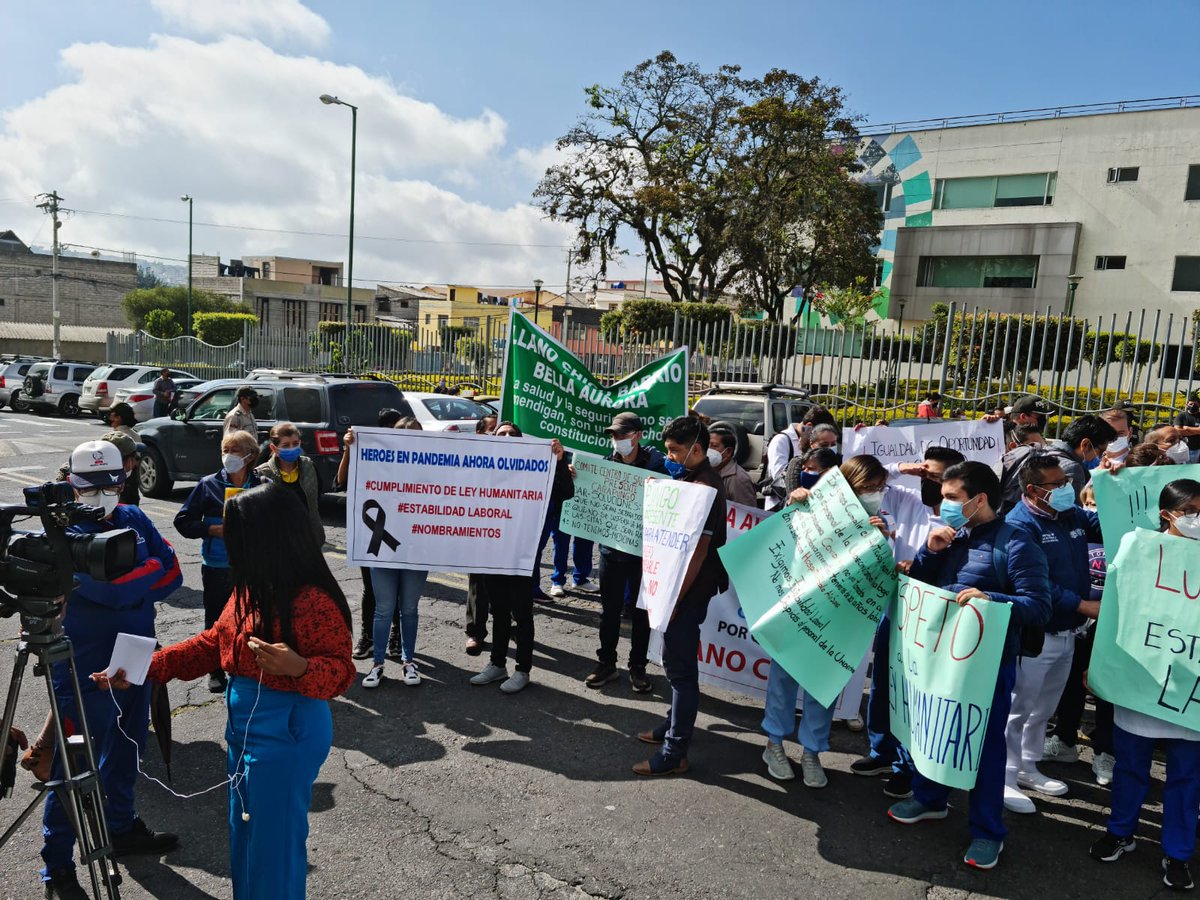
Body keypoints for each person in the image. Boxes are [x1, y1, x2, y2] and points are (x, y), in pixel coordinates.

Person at [96, 485, 356, 900]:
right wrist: (146, 668)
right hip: (245, 731)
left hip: (286, 734)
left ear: (267, 538)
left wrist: (302, 667)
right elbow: (213, 642)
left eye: (235, 532)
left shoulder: (312, 599)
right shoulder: (252, 585)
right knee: (246, 836)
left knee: (274, 849)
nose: (225, 539)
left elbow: (341, 673)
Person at [887, 461, 1050, 871]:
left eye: (952, 498)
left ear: (979, 500)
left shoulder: (1017, 543)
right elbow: (925, 585)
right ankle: (930, 798)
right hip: (939, 655)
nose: (944, 506)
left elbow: (1039, 606)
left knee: (983, 744)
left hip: (986, 665)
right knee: (933, 724)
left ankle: (987, 831)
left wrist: (992, 600)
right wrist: (928, 552)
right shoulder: (952, 536)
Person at [39, 440, 183, 899]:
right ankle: (57, 863)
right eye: (92, 487)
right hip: (82, 665)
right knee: (72, 763)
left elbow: (174, 572)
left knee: (127, 745)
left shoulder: (133, 517)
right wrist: (143, 576)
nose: (104, 494)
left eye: (112, 484)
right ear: (71, 483)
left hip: (135, 653)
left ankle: (121, 827)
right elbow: (123, 588)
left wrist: (130, 580)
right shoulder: (58, 532)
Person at [761, 453, 917, 789]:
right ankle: (773, 744)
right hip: (801, 611)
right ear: (848, 485)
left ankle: (812, 752)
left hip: (840, 621)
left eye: (880, 487)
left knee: (824, 686)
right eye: (868, 487)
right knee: (784, 679)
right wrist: (795, 499)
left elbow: (877, 578)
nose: (875, 493)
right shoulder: (816, 505)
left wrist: (884, 543)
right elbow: (784, 536)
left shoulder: (880, 524)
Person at [1089, 479, 1200, 892]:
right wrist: (1100, 664)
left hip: (1191, 694)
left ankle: (1178, 852)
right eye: (1191, 510)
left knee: (1186, 778)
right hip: (1140, 681)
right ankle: (1121, 832)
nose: (1197, 519)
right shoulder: (1138, 548)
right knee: (1130, 767)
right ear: (1168, 513)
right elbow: (1117, 607)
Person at [850, 446, 965, 799]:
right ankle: (881, 751)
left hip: (938, 614)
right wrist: (907, 468)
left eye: (939, 477)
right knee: (885, 681)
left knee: (915, 693)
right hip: (898, 605)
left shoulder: (960, 516)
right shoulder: (903, 499)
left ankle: (908, 766)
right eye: (927, 475)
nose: (932, 483)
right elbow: (859, 476)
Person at [1002, 453, 1103, 814]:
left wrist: (1112, 480)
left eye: (1067, 482)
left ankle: (1028, 765)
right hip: (1036, 634)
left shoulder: (1069, 515)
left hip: (1067, 632)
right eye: (1057, 484)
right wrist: (1082, 605)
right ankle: (1005, 775)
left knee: (1044, 706)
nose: (1066, 489)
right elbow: (1035, 582)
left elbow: (1105, 521)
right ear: (1032, 490)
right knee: (1018, 707)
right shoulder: (1020, 525)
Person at [633, 415, 727, 776]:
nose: (668, 456)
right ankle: (672, 725)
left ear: (697, 449)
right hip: (679, 589)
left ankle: (675, 752)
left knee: (681, 671)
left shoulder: (706, 488)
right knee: (675, 667)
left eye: (674, 450)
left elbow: (699, 552)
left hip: (687, 593)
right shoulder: (692, 477)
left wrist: (673, 598)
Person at [469, 422, 572, 694]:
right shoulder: (484, 467)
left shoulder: (537, 467)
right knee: (499, 612)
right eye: (500, 434)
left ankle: (522, 670)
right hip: (493, 551)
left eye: (512, 434)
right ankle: (497, 664)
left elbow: (566, 493)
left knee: (522, 614)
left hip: (521, 554)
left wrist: (559, 462)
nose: (506, 438)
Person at [585, 412, 669, 693]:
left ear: (638, 435)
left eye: (622, 434)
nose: (617, 440)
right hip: (611, 552)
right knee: (609, 611)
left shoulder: (658, 465)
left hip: (643, 554)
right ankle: (606, 663)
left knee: (641, 612)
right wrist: (578, 477)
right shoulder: (607, 463)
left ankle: (638, 666)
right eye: (614, 435)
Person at [174, 429, 263, 693]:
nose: (228, 456)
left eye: (234, 451)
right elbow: (183, 522)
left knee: (251, 617)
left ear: (249, 456)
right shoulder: (208, 484)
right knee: (215, 619)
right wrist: (211, 530)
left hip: (251, 564)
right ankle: (215, 670)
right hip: (216, 564)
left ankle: (245, 664)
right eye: (225, 450)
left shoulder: (261, 485)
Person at [1044, 482, 1117, 787]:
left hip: (1112, 626)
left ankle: (1106, 753)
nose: (1092, 513)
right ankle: (1064, 740)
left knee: (1106, 691)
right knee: (1071, 684)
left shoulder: (1126, 541)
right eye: (1088, 505)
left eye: (1100, 507)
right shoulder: (1074, 538)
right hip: (1077, 623)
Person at [362, 415, 429, 689]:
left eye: (414, 432)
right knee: (384, 610)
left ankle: (408, 662)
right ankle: (377, 664)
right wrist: (349, 449)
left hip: (417, 550)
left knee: (409, 609)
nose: (408, 436)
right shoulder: (377, 463)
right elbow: (344, 482)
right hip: (384, 550)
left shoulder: (431, 466)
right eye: (403, 432)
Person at [336, 409, 404, 660]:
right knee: (371, 589)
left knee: (398, 590)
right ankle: (369, 637)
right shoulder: (368, 454)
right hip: (372, 532)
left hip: (403, 534)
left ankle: (397, 636)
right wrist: (348, 450)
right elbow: (341, 480)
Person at [255, 422, 324, 548]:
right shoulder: (262, 473)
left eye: (295, 444)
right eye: (286, 445)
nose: (292, 448)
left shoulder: (309, 466)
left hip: (310, 539)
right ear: (274, 448)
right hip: (278, 544)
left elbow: (316, 496)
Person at [465, 413, 498, 647]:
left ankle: (511, 628)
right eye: (492, 430)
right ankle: (476, 632)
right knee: (478, 583)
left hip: (507, 532)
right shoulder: (468, 459)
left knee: (510, 584)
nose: (497, 436)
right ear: (479, 434)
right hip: (478, 531)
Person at [709, 426, 757, 506]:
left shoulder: (738, 479)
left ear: (728, 452)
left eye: (714, 446)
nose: (708, 450)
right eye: (706, 445)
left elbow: (746, 513)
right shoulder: (705, 471)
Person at [1174, 392, 1200, 463]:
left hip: (1198, 449)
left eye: (1195, 404)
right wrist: (1196, 432)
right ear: (1187, 404)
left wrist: (1187, 428)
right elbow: (1177, 431)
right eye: (1191, 404)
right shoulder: (1181, 416)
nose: (1193, 406)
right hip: (1183, 449)